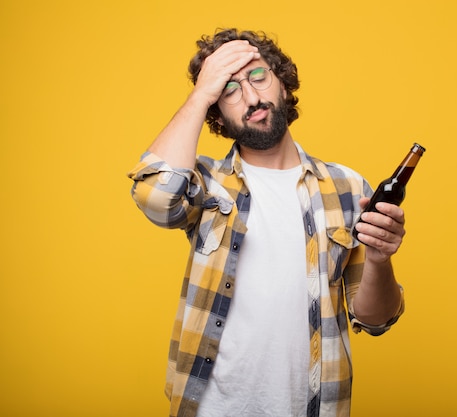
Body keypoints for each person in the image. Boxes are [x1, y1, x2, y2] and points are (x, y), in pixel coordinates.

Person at [128, 28, 407, 417]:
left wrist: (379, 259)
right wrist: (200, 93)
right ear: (217, 115)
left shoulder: (347, 187)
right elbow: (156, 197)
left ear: (283, 83)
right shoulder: (206, 183)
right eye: (228, 91)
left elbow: (376, 321)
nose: (253, 98)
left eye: (258, 77)